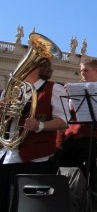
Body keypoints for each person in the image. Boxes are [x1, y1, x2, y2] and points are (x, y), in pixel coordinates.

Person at [0, 58, 68, 212]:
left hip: (33, 157)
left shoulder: (54, 88)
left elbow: (64, 121)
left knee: (21, 205)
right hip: (5, 154)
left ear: (37, 66)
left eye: (25, 62)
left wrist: (40, 125)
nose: (19, 65)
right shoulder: (13, 89)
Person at [57, 57, 97, 177]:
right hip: (70, 137)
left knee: (81, 176)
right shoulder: (77, 87)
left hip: (88, 139)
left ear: (96, 71)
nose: (83, 74)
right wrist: (71, 94)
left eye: (86, 70)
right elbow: (70, 110)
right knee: (63, 172)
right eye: (81, 71)